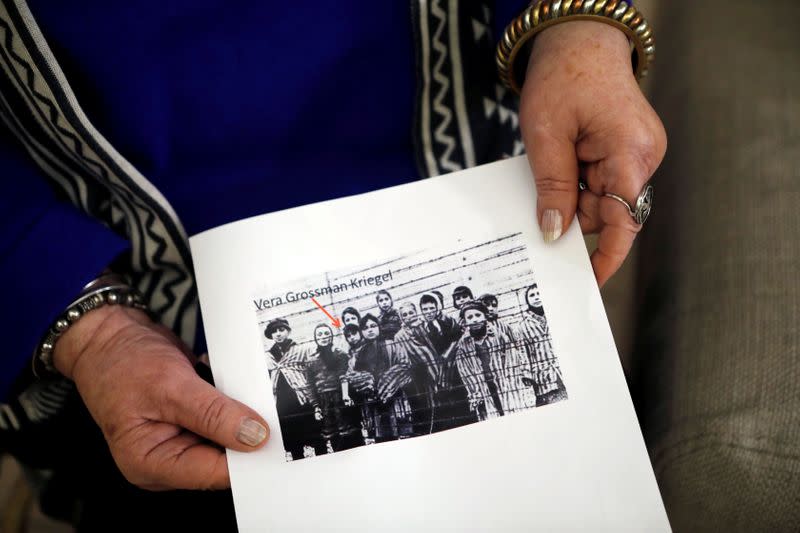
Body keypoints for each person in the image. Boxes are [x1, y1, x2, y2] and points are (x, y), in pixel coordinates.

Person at [0, 2, 672, 529]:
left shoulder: (462, 332)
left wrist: (575, 28)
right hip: (131, 305)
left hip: (476, 178)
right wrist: (93, 326)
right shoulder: (346, 354)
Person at [453, 301, 536, 421]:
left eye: (478, 315)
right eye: (470, 317)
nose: (475, 320)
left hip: (505, 384)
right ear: (465, 322)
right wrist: (475, 394)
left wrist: (518, 378)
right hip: (483, 388)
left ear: (485, 317)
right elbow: (466, 373)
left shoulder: (499, 337)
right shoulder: (463, 346)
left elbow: (512, 358)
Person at [346, 314, 414, 442]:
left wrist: (387, 382)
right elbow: (351, 374)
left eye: (373, 326)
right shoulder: (358, 354)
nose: (370, 330)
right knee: (381, 439)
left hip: (395, 399)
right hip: (372, 403)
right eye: (365, 328)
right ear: (361, 332)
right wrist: (366, 381)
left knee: (403, 437)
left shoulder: (392, 344)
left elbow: (405, 365)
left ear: (379, 327)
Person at [264, 318, 322, 460]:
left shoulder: (301, 350)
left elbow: (313, 368)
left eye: (281, 330)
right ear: (271, 335)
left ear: (288, 331)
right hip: (282, 401)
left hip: (302, 398)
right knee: (293, 439)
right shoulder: (268, 356)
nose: (278, 334)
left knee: (314, 434)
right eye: (274, 331)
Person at [419, 293, 475, 430]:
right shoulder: (420, 329)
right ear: (421, 311)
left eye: (431, 308)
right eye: (425, 309)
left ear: (437, 308)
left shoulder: (447, 322)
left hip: (452, 369)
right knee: (442, 404)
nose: (429, 312)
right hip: (434, 372)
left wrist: (448, 354)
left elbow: (457, 338)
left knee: (459, 399)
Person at [304, 324, 362, 453]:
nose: (323, 337)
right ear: (315, 338)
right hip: (324, 402)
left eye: (326, 333)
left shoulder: (340, 354)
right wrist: (316, 406)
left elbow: (345, 375)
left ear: (331, 336)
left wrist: (346, 395)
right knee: (334, 436)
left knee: (350, 433)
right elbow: (310, 385)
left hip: (341, 396)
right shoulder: (311, 359)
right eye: (319, 335)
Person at [515, 284, 568, 407]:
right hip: (542, 376)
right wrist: (528, 375)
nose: (536, 297)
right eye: (532, 295)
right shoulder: (522, 326)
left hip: (562, 370)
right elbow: (522, 352)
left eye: (539, 293)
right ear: (527, 300)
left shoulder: (556, 316)